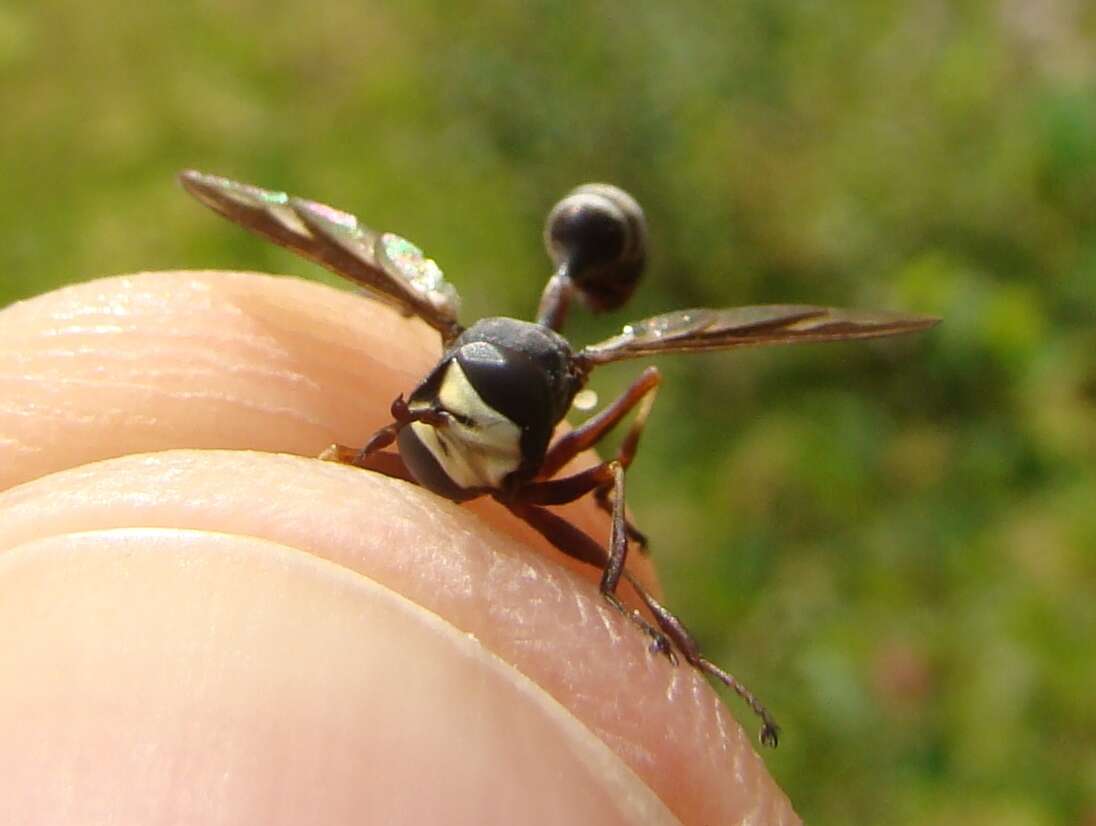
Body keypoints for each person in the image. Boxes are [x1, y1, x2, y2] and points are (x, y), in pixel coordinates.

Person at [0, 271, 796, 824]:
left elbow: (639, 387)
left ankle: (686, 641)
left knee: (633, 440)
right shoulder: (442, 402)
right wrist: (375, 444)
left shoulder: (550, 417)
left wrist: (613, 473)